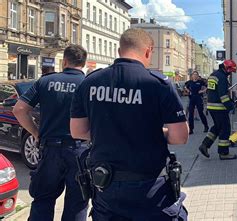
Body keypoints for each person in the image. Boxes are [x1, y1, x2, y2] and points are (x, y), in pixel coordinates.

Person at [70, 28, 189, 220]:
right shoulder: (159, 84)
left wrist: (109, 132)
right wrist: (153, 132)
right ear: (148, 51)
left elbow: (77, 131)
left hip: (106, 186)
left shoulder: (90, 82)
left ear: (119, 51)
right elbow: (180, 136)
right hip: (151, 188)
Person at [12, 45, 88, 221]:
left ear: (64, 61)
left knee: (43, 200)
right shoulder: (89, 84)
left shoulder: (46, 81)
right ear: (83, 63)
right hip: (80, 151)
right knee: (77, 202)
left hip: (50, 149)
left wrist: (36, 133)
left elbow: (19, 109)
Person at [198, 60, 237, 160]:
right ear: (227, 68)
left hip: (211, 106)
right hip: (219, 107)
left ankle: (204, 145)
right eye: (230, 71)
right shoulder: (222, 77)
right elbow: (223, 95)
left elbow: (213, 91)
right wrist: (230, 106)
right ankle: (224, 153)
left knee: (217, 127)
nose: (230, 74)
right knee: (225, 128)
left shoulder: (213, 75)